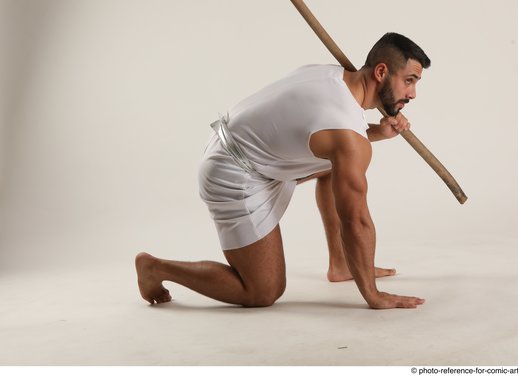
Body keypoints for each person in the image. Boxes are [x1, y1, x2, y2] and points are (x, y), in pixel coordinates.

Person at [135, 32, 431, 309]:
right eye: (409, 80)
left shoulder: (331, 75)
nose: (413, 93)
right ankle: (155, 268)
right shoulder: (347, 136)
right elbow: (355, 219)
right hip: (233, 172)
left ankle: (340, 264)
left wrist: (377, 133)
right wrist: (373, 295)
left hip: (237, 144)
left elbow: (324, 132)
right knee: (263, 291)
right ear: (381, 73)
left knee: (337, 165)